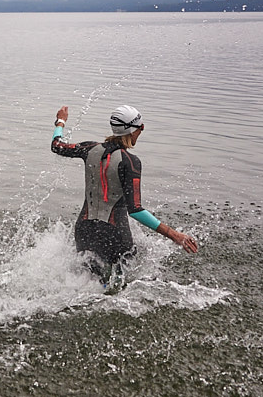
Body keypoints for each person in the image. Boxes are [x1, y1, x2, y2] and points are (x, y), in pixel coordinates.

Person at [50, 104, 198, 285]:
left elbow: (57, 146)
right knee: (119, 286)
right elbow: (135, 210)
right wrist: (175, 235)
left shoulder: (88, 148)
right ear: (133, 130)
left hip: (84, 230)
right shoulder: (130, 162)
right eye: (141, 128)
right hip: (114, 234)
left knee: (85, 283)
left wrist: (61, 121)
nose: (141, 132)